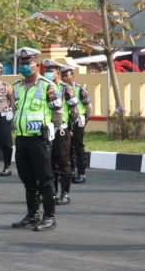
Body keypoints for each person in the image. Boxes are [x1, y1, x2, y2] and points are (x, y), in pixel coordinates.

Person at [11, 47, 63, 231]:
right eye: (22, 63)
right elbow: (16, 110)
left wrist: (51, 133)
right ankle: (32, 214)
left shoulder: (47, 86)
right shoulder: (17, 86)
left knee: (45, 178)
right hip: (22, 139)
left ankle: (49, 216)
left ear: (36, 65)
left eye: (28, 63)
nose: (24, 66)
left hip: (39, 140)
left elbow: (58, 112)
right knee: (28, 179)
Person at [45, 60, 78, 205]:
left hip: (62, 130)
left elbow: (74, 110)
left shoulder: (66, 89)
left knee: (64, 161)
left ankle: (65, 194)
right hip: (47, 130)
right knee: (49, 162)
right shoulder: (44, 87)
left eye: (51, 71)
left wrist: (70, 126)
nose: (47, 74)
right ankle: (53, 192)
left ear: (58, 73)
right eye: (46, 71)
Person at [62, 66, 91, 184]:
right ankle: (71, 172)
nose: (64, 78)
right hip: (66, 122)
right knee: (67, 148)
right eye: (62, 75)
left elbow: (88, 107)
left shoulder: (80, 90)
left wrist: (85, 120)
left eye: (66, 75)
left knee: (78, 147)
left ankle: (81, 173)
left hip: (78, 121)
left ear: (72, 76)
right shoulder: (60, 90)